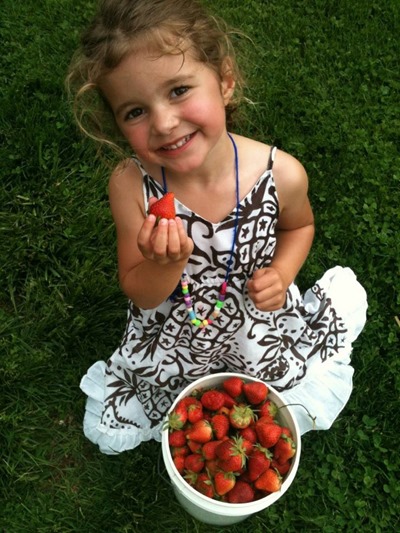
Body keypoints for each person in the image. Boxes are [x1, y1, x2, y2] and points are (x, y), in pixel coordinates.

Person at [67, 0, 367, 454]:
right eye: (135, 112)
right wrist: (166, 264)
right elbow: (141, 292)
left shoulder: (280, 175)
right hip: (174, 330)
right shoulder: (132, 187)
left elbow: (299, 228)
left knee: (264, 387)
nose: (164, 123)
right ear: (117, 125)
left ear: (225, 81)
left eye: (179, 90)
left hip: (253, 321)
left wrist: (283, 274)